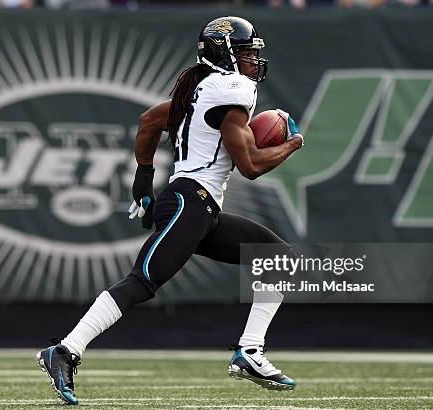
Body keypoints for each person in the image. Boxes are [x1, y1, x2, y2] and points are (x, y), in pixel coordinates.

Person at [36, 16, 304, 405]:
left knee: (279, 260)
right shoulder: (233, 89)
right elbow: (252, 167)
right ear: (224, 53)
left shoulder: (196, 86)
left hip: (199, 205)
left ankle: (250, 352)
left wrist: (143, 182)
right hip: (189, 201)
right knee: (143, 281)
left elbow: (149, 122)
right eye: (245, 53)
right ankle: (64, 350)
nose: (252, 62)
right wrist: (292, 143)